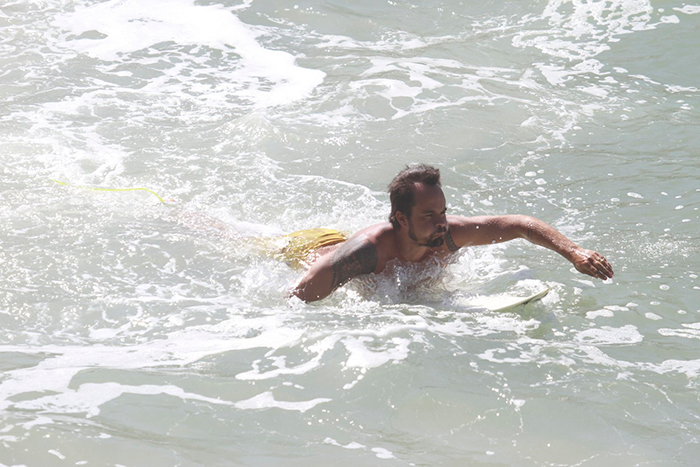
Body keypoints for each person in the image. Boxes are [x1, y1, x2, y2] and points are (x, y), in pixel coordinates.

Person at [289, 164, 613, 302]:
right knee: (254, 247)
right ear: (401, 219)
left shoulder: (447, 235)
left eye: (442, 212)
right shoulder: (365, 252)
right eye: (429, 215)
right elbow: (298, 298)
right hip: (309, 245)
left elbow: (520, 225)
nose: (442, 223)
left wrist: (573, 252)